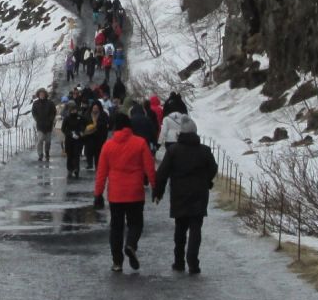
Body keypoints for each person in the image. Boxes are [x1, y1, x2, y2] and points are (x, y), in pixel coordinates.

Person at [152, 116, 218, 273]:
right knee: (196, 228)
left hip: (179, 195)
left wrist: (158, 192)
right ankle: (193, 260)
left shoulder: (173, 151)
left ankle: (179, 261)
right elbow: (213, 168)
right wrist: (207, 181)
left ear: (180, 134)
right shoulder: (204, 151)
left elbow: (162, 173)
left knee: (180, 229)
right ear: (195, 133)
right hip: (199, 195)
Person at [94, 114, 157, 271]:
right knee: (136, 223)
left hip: (116, 194)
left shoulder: (107, 146)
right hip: (135, 191)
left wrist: (98, 194)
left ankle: (117, 262)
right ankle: (131, 244)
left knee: (116, 227)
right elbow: (149, 167)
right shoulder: (140, 143)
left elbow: (101, 172)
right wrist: (155, 186)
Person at [61, 100, 87, 179]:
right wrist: (70, 133)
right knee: (70, 155)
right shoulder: (67, 118)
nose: (74, 111)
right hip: (69, 139)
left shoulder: (80, 117)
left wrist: (80, 132)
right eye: (72, 110)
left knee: (76, 155)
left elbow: (84, 125)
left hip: (78, 139)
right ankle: (69, 169)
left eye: (75, 110)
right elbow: (63, 128)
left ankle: (76, 169)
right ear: (70, 110)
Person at [30, 88, 56, 164]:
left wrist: (51, 119)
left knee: (48, 141)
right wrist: (37, 119)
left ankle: (47, 152)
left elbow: (53, 112)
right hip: (40, 125)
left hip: (48, 125)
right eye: (40, 94)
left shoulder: (50, 103)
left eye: (43, 94)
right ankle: (40, 154)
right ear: (38, 95)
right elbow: (33, 112)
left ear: (45, 94)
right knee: (40, 139)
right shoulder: (35, 103)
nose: (42, 95)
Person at [82, 102, 108, 172]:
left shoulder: (103, 115)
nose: (95, 109)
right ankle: (89, 163)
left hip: (99, 137)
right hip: (89, 137)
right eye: (94, 108)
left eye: (96, 108)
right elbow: (83, 124)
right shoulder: (87, 115)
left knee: (98, 152)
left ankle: (98, 165)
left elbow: (105, 125)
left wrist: (98, 126)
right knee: (89, 151)